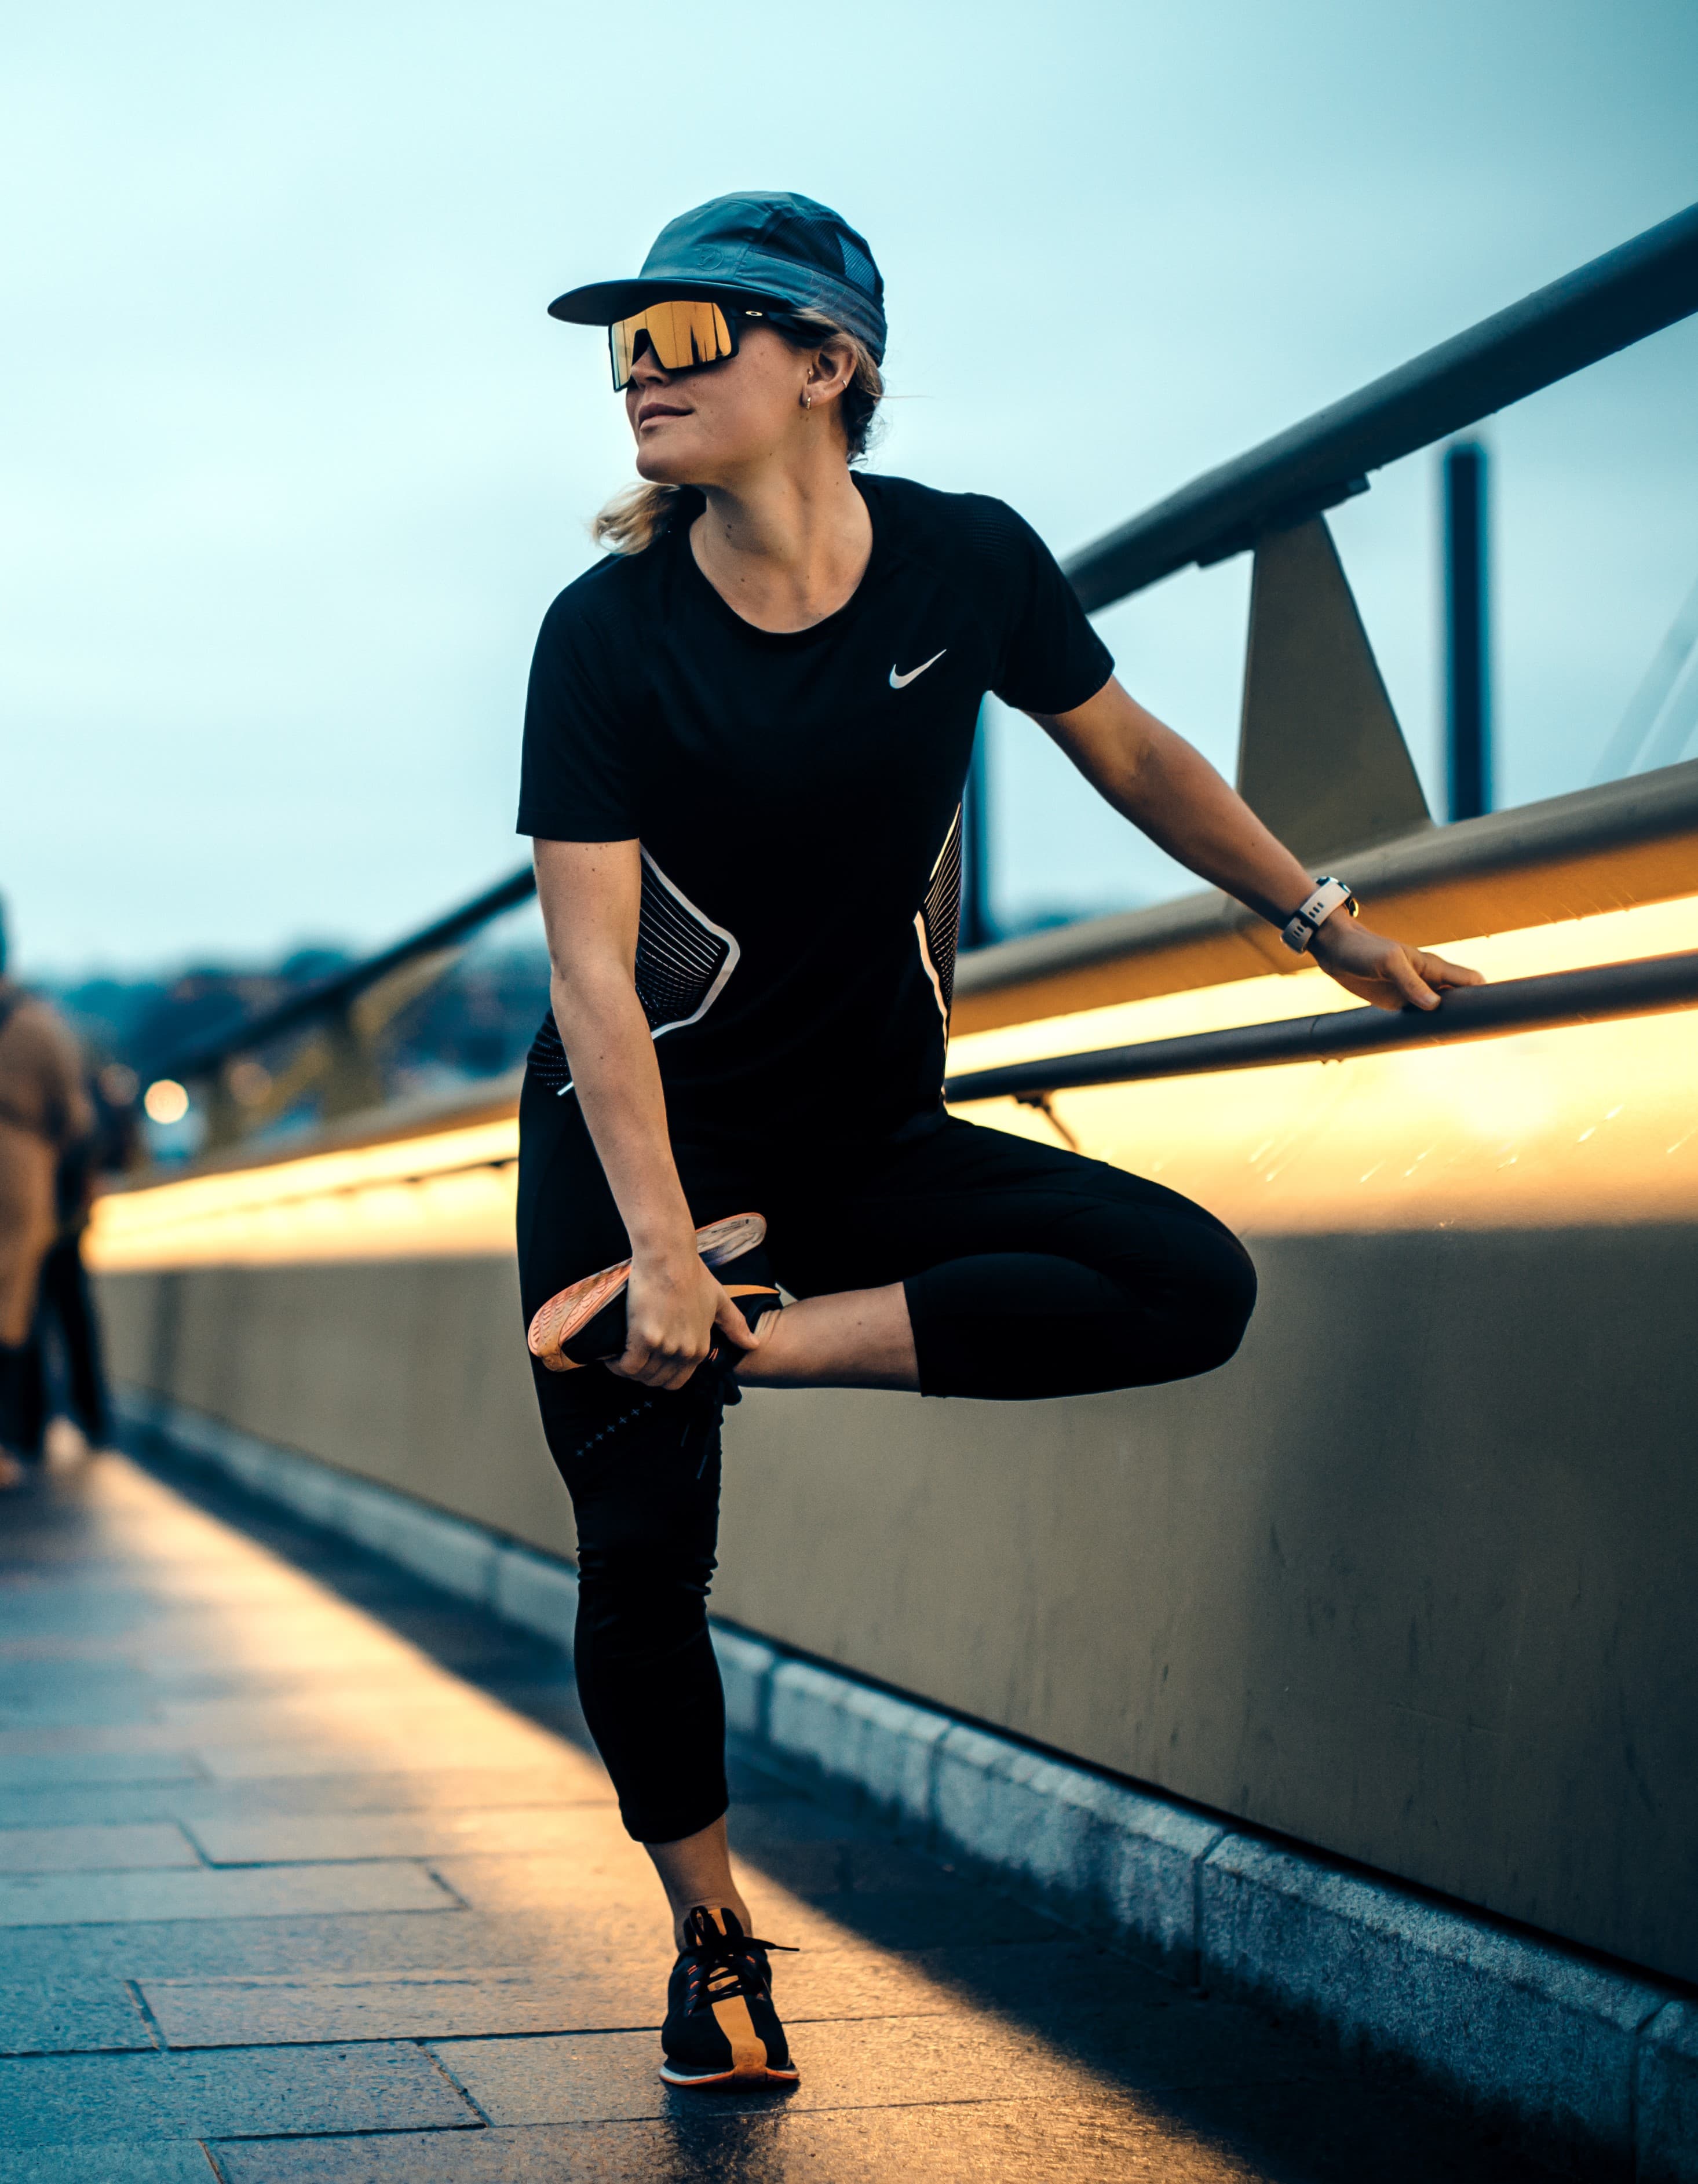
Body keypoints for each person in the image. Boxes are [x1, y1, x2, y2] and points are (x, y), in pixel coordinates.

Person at [517, 191, 1482, 2090]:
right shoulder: (606, 634)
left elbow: (1131, 754)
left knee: (1187, 1281)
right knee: (644, 1557)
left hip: (871, 1136)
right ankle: (714, 1948)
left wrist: (1321, 917)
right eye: (622, 343)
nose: (641, 370)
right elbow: (591, 977)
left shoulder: (964, 565)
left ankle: (771, 1338)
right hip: (643, 1162)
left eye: (691, 335)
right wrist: (647, 1254)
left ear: (826, 366)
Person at [0, 900, 95, 1482]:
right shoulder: (37, 1023)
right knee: (11, 1301)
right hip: (18, 1168)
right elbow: (74, 1114)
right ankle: (9, 1441)